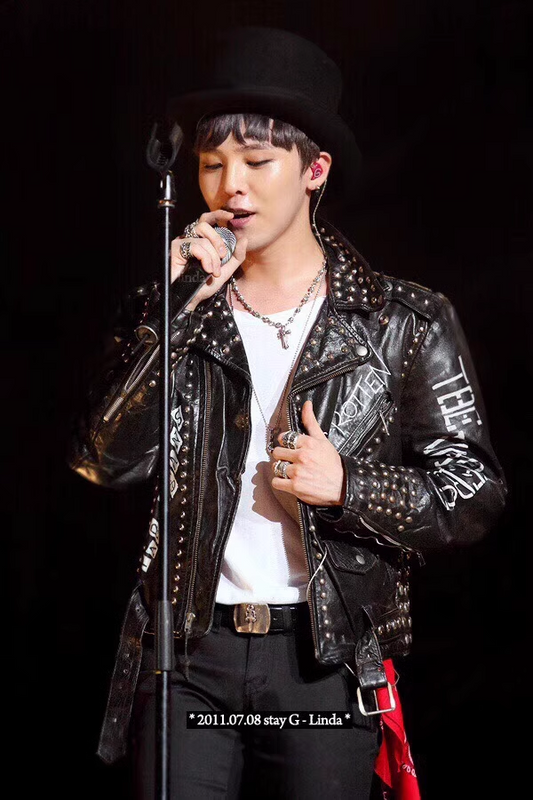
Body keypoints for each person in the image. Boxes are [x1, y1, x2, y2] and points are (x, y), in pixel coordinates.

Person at [69, 26, 507, 800]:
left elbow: (473, 492)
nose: (228, 186)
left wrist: (350, 487)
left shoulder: (402, 320)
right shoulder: (167, 312)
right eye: (211, 164)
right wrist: (176, 315)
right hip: (186, 658)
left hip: (319, 660)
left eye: (256, 162)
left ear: (314, 170)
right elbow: (103, 459)